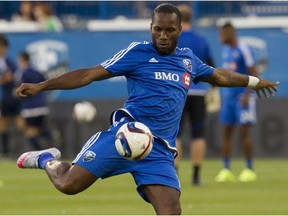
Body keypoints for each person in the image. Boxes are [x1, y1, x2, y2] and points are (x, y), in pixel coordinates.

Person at [15, 3, 278, 215]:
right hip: (123, 137)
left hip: (159, 151)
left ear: (179, 30)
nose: (162, 36)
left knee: (171, 210)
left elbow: (218, 76)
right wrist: (42, 86)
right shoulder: (137, 53)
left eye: (169, 30)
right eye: (157, 29)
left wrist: (252, 81)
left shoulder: (188, 60)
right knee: (68, 185)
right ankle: (46, 159)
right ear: (151, 28)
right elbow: (88, 75)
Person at [175, 4, 215, 186]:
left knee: (175, 134)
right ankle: (196, 176)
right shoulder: (201, 40)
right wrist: (214, 89)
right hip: (199, 92)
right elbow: (211, 67)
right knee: (198, 134)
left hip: (177, 91)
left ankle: (174, 175)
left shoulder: (173, 38)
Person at [215, 22, 259, 183]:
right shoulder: (226, 50)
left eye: (222, 33)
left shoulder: (243, 49)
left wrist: (248, 93)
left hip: (242, 97)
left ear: (230, 33)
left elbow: (254, 72)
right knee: (226, 132)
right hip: (228, 97)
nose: (220, 37)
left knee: (244, 132)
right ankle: (226, 169)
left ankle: (249, 168)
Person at [15, 52, 54, 150]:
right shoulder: (38, 72)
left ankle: (40, 152)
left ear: (22, 60)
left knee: (29, 133)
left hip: (30, 108)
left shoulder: (21, 73)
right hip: (42, 106)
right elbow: (46, 85)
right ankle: (51, 136)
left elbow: (20, 92)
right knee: (38, 129)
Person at [0, 34, 24, 157]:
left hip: (12, 96)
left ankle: (20, 150)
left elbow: (13, 77)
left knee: (18, 123)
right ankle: (6, 151)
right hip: (7, 96)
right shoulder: (7, 61)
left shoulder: (7, 61)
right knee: (4, 123)